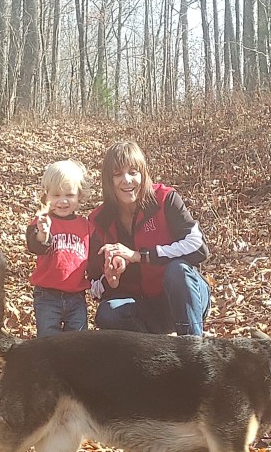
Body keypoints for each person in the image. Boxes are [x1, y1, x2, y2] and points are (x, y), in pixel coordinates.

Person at [87, 141, 210, 336]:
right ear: (108, 180)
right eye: (117, 174)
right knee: (108, 312)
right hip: (141, 309)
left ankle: (193, 346)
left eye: (133, 172)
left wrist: (140, 256)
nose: (127, 180)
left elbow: (198, 247)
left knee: (178, 271)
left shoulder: (165, 199)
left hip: (184, 297)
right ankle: (154, 350)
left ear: (143, 174)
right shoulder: (98, 220)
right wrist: (110, 280)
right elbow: (94, 284)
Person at [26, 159, 91, 336]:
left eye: (69, 195)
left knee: (78, 340)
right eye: (56, 195)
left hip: (76, 296)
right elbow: (35, 246)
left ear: (79, 195)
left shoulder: (85, 226)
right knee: (48, 339)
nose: (63, 201)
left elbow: (93, 258)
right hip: (47, 295)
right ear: (46, 196)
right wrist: (43, 233)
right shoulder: (42, 222)